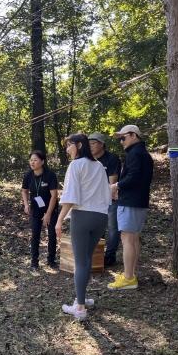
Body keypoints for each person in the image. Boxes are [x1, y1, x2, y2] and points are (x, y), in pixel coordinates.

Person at [55, 134, 111, 320]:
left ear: (79, 145)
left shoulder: (76, 165)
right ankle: (82, 298)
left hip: (82, 216)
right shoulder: (99, 166)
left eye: (69, 145)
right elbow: (107, 195)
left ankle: (79, 308)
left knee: (80, 262)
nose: (67, 149)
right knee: (86, 259)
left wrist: (59, 220)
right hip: (101, 217)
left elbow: (70, 197)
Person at [107, 125, 153, 290]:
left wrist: (116, 186)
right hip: (136, 201)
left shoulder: (135, 154)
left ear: (133, 135)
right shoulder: (141, 153)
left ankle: (128, 278)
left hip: (131, 202)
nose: (121, 141)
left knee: (127, 238)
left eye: (123, 137)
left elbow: (134, 178)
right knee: (132, 238)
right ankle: (130, 274)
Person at [21, 150, 59, 270]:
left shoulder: (50, 175)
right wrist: (26, 204)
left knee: (52, 235)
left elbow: (54, 196)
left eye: (35, 160)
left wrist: (48, 214)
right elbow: (24, 191)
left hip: (50, 208)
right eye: (31, 160)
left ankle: (51, 260)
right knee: (35, 234)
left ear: (42, 161)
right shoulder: (28, 175)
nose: (32, 162)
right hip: (35, 209)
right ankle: (34, 262)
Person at [88, 132, 122, 266]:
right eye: (89, 144)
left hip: (110, 199)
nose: (90, 146)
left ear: (102, 144)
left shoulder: (112, 158)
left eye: (93, 143)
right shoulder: (88, 159)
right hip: (94, 200)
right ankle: (97, 255)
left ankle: (110, 256)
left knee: (113, 228)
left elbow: (112, 182)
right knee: (97, 228)